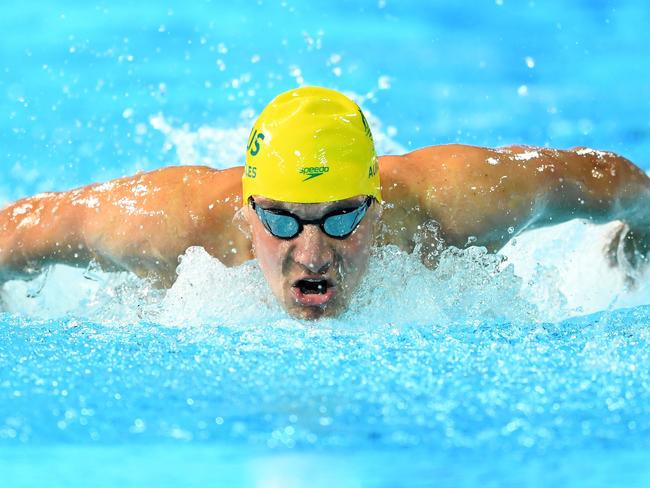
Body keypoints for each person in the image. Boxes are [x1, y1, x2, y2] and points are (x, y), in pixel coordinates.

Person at [0, 87, 648, 319]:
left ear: (376, 201)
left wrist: (638, 236)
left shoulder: (459, 201)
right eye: (281, 220)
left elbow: (612, 179)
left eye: (342, 218)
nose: (311, 253)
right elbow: (20, 231)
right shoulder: (171, 223)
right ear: (248, 208)